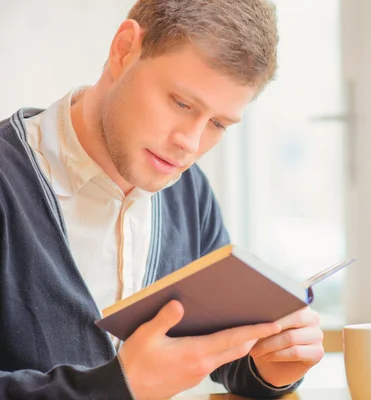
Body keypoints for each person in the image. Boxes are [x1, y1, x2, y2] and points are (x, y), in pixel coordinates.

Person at [0, 0, 325, 399]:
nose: (189, 144)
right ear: (123, 50)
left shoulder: (189, 192)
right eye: (182, 104)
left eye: (218, 124)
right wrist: (119, 387)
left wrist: (271, 365)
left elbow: (219, 351)